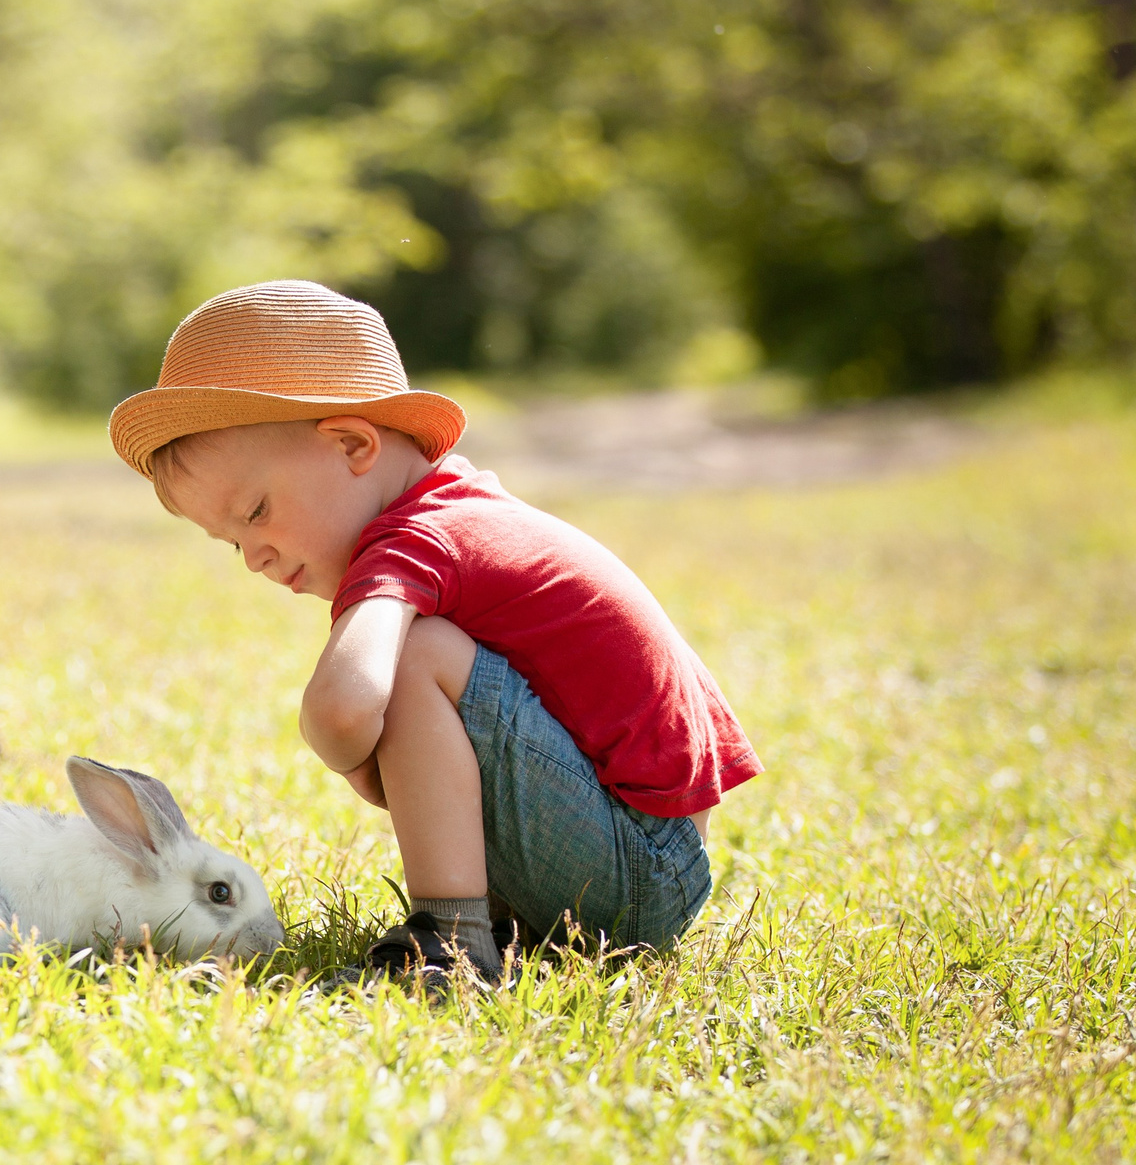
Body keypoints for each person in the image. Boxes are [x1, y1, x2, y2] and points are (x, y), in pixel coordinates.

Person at [107, 280, 761, 988]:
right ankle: (491, 920)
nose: (256, 556)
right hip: (653, 857)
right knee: (432, 653)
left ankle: (450, 944)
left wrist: (361, 759)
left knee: (419, 654)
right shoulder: (461, 511)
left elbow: (343, 706)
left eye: (257, 511)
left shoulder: (414, 542)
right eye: (231, 542)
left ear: (354, 443)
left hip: (637, 875)